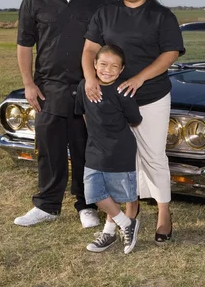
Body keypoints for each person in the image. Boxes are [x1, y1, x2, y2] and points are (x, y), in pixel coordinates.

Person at [81, 0, 185, 244]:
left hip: (151, 97)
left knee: (152, 156)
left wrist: (140, 78)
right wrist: (91, 78)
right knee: (117, 159)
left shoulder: (162, 16)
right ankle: (127, 213)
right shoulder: (105, 13)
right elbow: (90, 50)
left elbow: (170, 54)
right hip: (112, 101)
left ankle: (164, 213)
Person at [14, 0, 118, 228]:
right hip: (49, 89)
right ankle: (47, 205)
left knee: (88, 150)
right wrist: (28, 84)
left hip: (91, 88)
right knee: (50, 149)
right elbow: (24, 46)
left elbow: (115, 46)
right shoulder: (33, 0)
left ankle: (87, 205)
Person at [75, 45, 142, 254]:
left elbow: (135, 119)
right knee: (93, 193)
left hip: (119, 151)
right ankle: (126, 222)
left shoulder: (123, 91)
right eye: (103, 64)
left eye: (114, 66)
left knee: (115, 194)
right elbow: (83, 113)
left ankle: (109, 231)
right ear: (94, 65)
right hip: (95, 150)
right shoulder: (84, 87)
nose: (107, 69)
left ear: (121, 70)